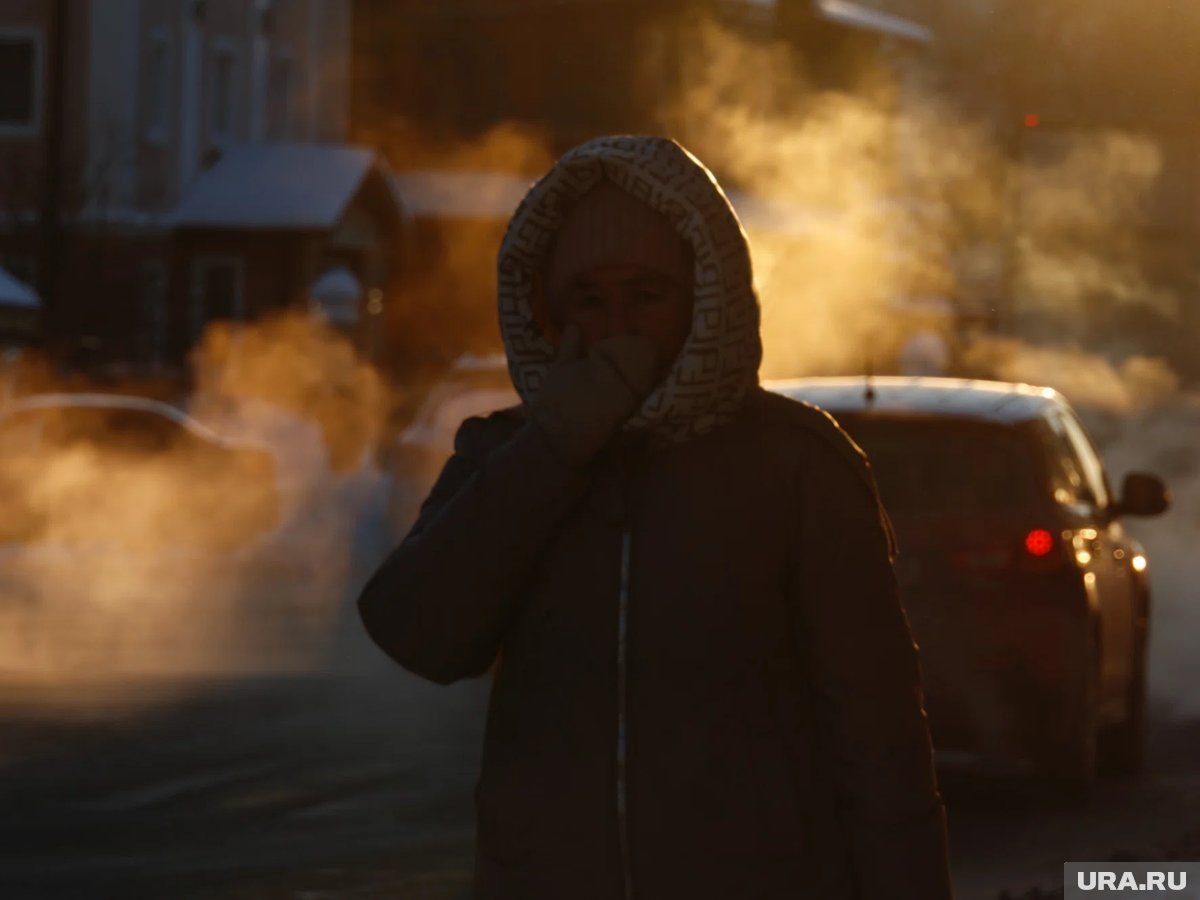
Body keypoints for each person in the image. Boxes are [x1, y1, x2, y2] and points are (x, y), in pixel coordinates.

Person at [358, 135, 953, 900]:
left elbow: (881, 740)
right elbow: (418, 632)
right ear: (551, 311)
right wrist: (559, 443)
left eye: (647, 293)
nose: (619, 327)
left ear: (704, 294)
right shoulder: (507, 453)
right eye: (589, 299)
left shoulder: (797, 464)